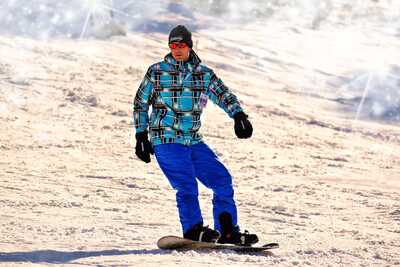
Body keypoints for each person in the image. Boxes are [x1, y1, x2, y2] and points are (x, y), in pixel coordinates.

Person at [133, 25, 258, 245]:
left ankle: (227, 230)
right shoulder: (156, 71)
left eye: (181, 45)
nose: (177, 49)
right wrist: (141, 135)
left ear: (189, 46)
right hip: (166, 139)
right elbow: (141, 103)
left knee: (221, 180)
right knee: (187, 185)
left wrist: (238, 115)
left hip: (193, 140)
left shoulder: (203, 74)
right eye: (173, 45)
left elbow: (223, 94)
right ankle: (192, 229)